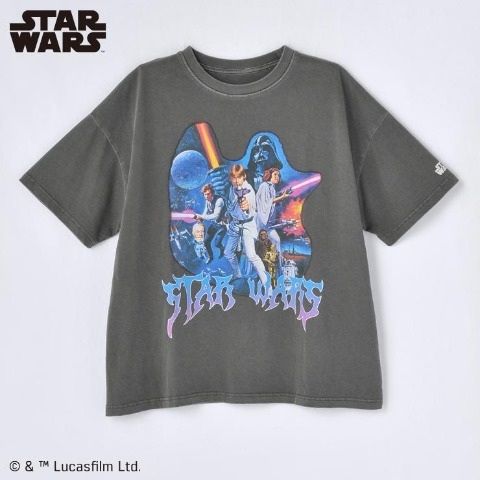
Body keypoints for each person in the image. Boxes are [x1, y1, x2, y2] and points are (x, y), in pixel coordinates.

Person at [224, 164, 268, 287]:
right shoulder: (231, 189)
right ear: (230, 178)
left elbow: (252, 210)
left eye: (239, 177)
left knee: (251, 255)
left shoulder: (249, 190)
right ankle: (237, 273)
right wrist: (228, 214)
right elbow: (231, 206)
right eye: (233, 178)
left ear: (244, 176)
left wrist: (246, 208)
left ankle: (266, 283)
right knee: (228, 252)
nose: (236, 181)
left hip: (247, 224)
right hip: (235, 224)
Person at [255, 167, 290, 266]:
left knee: (276, 240)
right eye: (275, 174)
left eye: (278, 175)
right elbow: (266, 203)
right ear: (269, 175)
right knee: (256, 245)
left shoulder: (272, 189)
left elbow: (272, 203)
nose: (277, 177)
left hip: (268, 223)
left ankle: (278, 265)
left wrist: (281, 197)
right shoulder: (264, 186)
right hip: (260, 222)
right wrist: (281, 197)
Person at [194, 184, 226, 263]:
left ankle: (222, 249)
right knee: (206, 241)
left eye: (208, 194)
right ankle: (211, 257)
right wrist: (201, 219)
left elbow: (215, 216)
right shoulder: (207, 200)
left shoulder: (219, 201)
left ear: (212, 193)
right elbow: (205, 212)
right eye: (205, 194)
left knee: (217, 244)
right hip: (215, 224)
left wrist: (202, 216)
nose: (206, 196)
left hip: (223, 225)